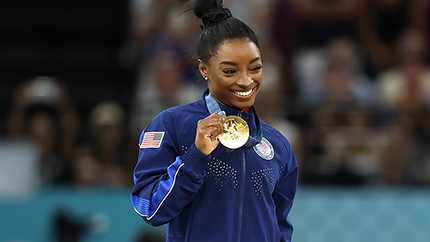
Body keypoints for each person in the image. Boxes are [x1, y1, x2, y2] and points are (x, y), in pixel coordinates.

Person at [130, 0, 299, 241]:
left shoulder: (278, 144)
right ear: (204, 69)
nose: (245, 81)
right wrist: (195, 156)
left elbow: (280, 226)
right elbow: (149, 209)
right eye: (230, 71)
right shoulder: (171, 125)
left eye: (255, 68)